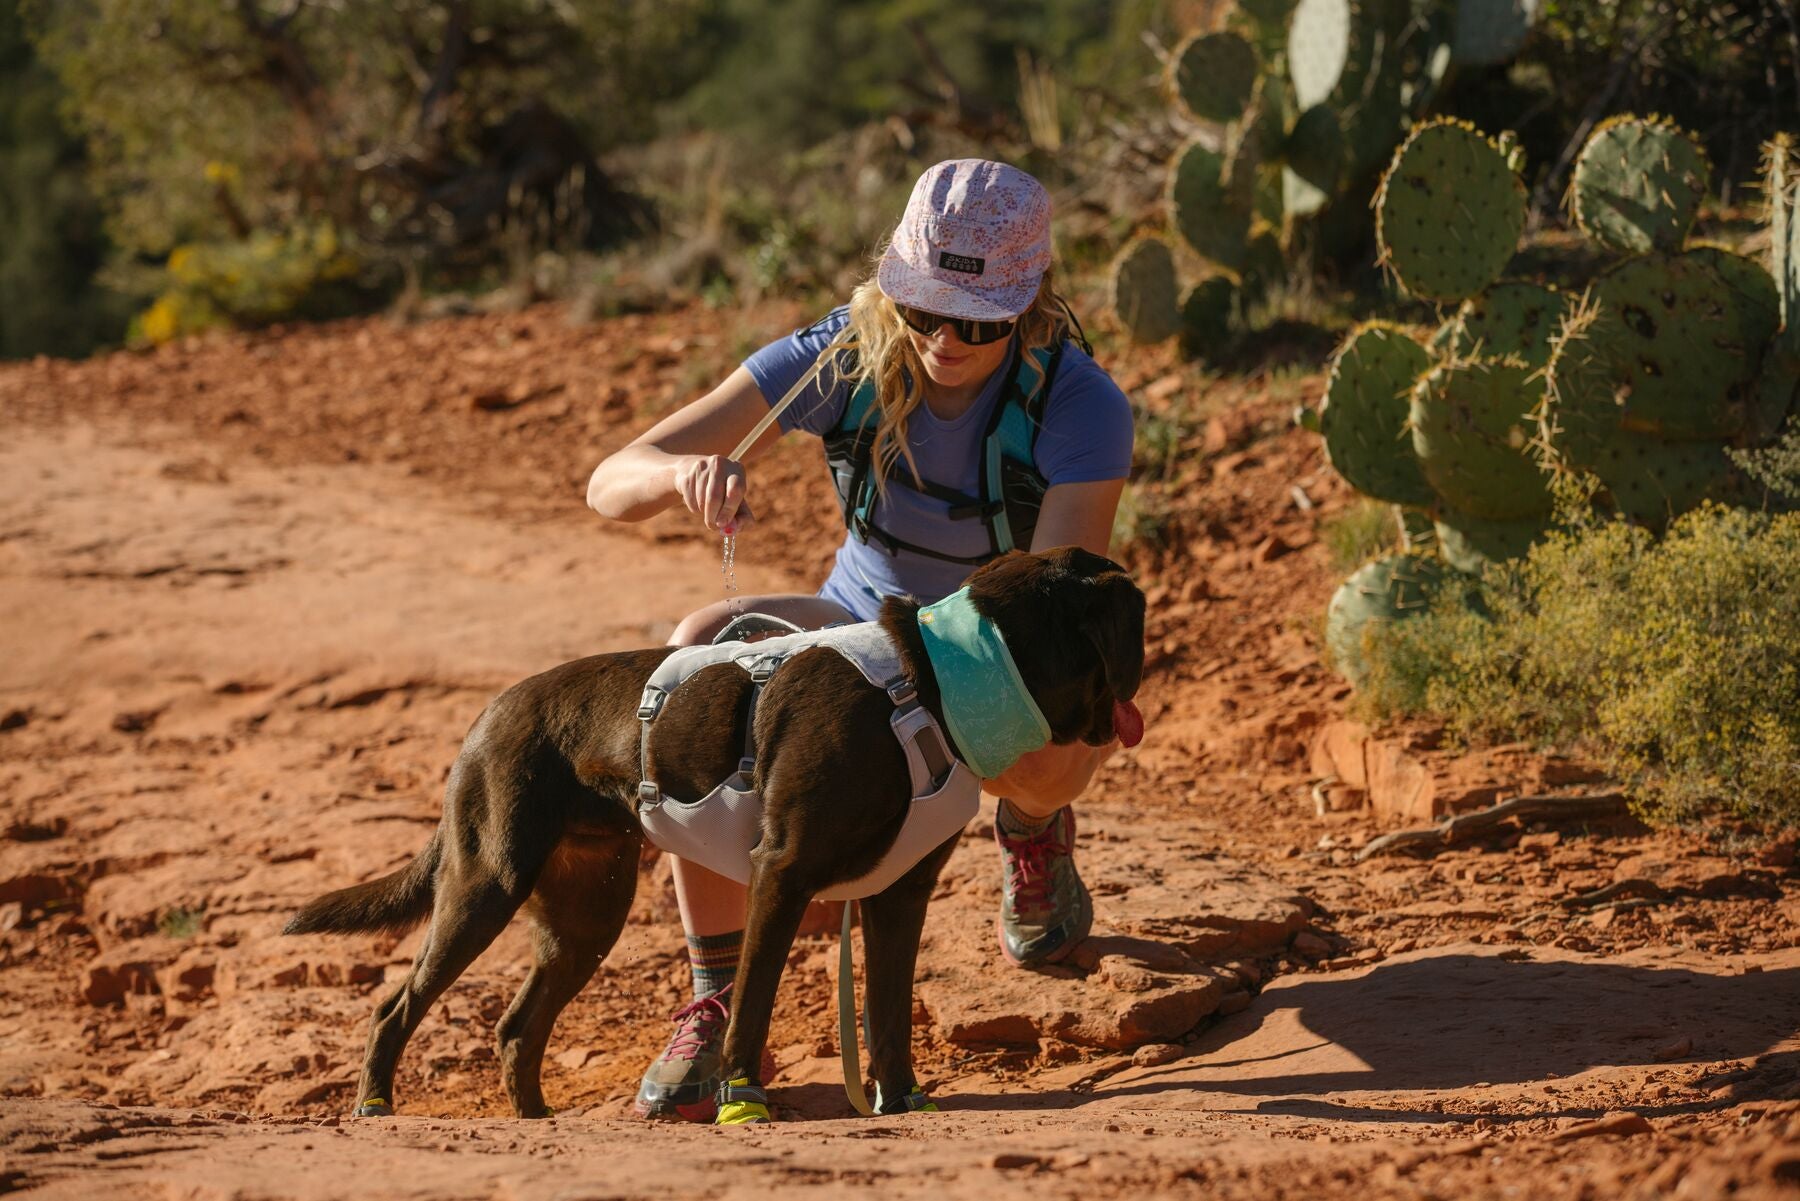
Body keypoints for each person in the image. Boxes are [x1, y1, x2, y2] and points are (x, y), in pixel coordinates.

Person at [585, 158, 1136, 1122]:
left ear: (1032, 303)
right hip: (858, 625)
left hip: (989, 650)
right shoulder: (845, 352)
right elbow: (610, 478)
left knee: (1047, 762)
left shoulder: (1080, 404)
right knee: (700, 646)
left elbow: (1049, 611)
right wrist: (681, 478)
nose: (944, 340)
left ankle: (1033, 829)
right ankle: (715, 1000)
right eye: (924, 309)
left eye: (978, 319)